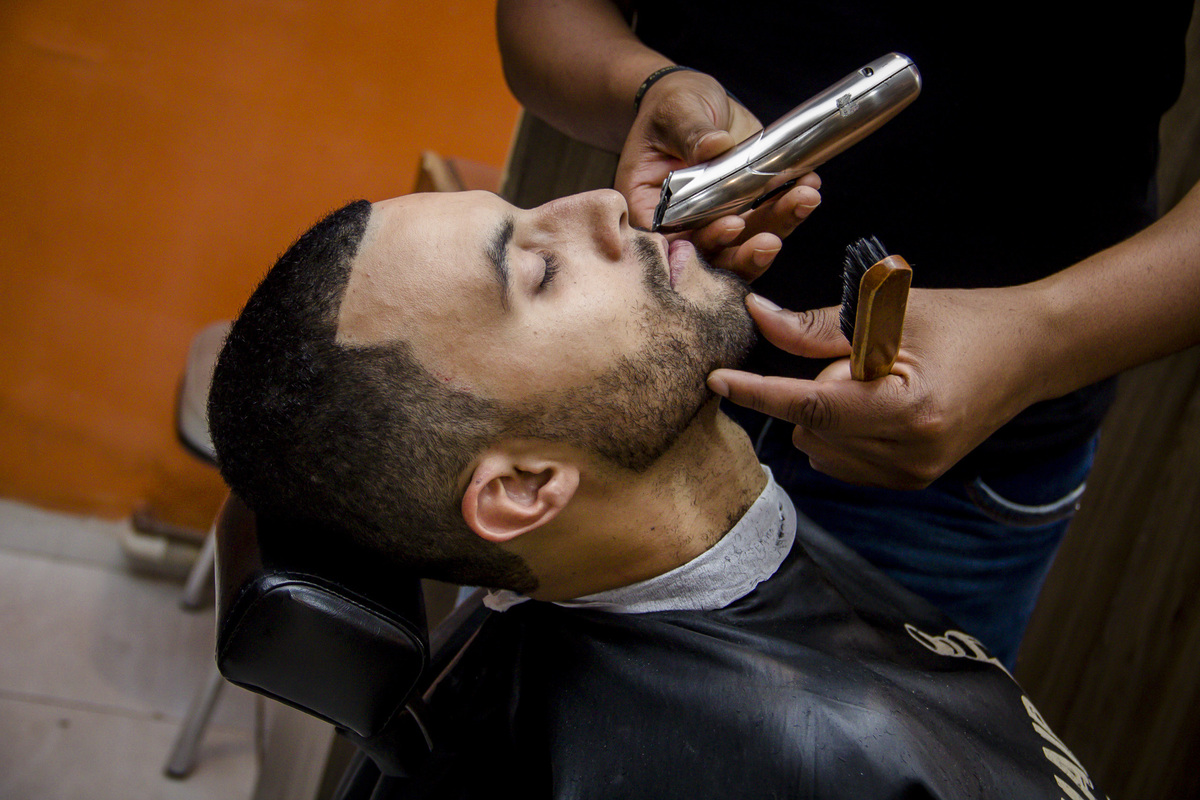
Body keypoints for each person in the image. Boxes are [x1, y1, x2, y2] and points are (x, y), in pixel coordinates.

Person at [207, 190, 1106, 798]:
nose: (604, 202)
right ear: (524, 488)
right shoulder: (833, 758)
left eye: (532, 215)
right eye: (540, 271)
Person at [496, 0, 1198, 665]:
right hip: (625, 392)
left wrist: (1036, 342)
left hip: (946, 471)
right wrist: (643, 88)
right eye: (525, 264)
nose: (591, 216)